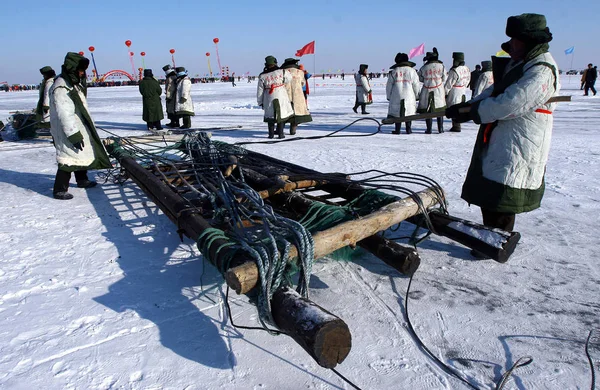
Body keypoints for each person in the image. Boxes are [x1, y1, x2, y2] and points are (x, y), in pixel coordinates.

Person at [445, 13, 560, 239]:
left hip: (520, 137)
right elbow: (495, 91)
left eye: (515, 40)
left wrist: (475, 112)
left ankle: (497, 242)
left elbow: (512, 101)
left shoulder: (542, 68)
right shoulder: (521, 63)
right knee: (492, 186)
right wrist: (467, 106)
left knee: (504, 192)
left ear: (528, 41)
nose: (510, 46)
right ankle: (491, 237)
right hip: (503, 135)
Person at [49, 52, 111, 200]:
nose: (83, 73)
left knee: (81, 153)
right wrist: (73, 133)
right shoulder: (62, 87)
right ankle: (59, 189)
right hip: (68, 128)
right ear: (73, 69)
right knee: (68, 157)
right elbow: (64, 113)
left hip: (77, 125)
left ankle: (82, 180)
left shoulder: (72, 83)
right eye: (81, 70)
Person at [257, 55, 294, 139]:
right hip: (281, 94)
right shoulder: (282, 72)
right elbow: (289, 78)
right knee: (280, 115)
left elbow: (260, 90)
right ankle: (281, 134)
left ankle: (271, 134)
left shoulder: (262, 76)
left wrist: (260, 101)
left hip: (268, 96)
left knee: (270, 116)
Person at [386, 52, 420, 134]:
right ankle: (409, 129)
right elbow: (416, 85)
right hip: (409, 95)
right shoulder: (412, 71)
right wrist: (417, 95)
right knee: (408, 113)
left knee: (397, 113)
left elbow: (389, 86)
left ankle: (397, 130)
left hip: (396, 95)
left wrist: (389, 96)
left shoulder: (394, 71)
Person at [417, 48, 447, 133]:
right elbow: (444, 77)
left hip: (427, 89)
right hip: (439, 90)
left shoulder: (424, 68)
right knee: (440, 109)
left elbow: (420, 78)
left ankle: (429, 129)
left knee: (428, 110)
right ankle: (440, 128)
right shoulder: (442, 66)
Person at [281, 58, 312, 135]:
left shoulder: (282, 72)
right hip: (297, 95)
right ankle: (293, 130)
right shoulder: (300, 72)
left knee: (284, 113)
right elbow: (303, 83)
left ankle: (280, 129)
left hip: (285, 94)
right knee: (297, 114)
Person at [444, 52, 471, 132]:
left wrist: (445, 93)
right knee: (460, 107)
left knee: (454, 108)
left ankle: (456, 126)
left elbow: (449, 84)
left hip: (455, 91)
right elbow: (468, 80)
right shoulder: (467, 69)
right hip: (462, 90)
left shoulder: (454, 70)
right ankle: (457, 125)